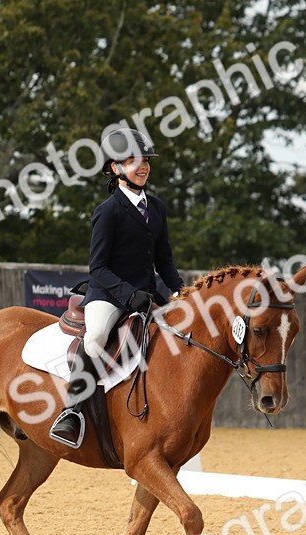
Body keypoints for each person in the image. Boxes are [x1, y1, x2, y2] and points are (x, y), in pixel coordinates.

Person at [49, 128, 185, 448]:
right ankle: (71, 411)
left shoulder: (157, 208)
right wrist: (128, 294)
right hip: (108, 295)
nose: (143, 166)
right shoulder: (108, 211)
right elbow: (98, 267)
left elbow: (164, 261)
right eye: (133, 160)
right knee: (96, 337)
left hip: (147, 294)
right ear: (115, 168)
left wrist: (179, 293)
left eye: (146, 161)